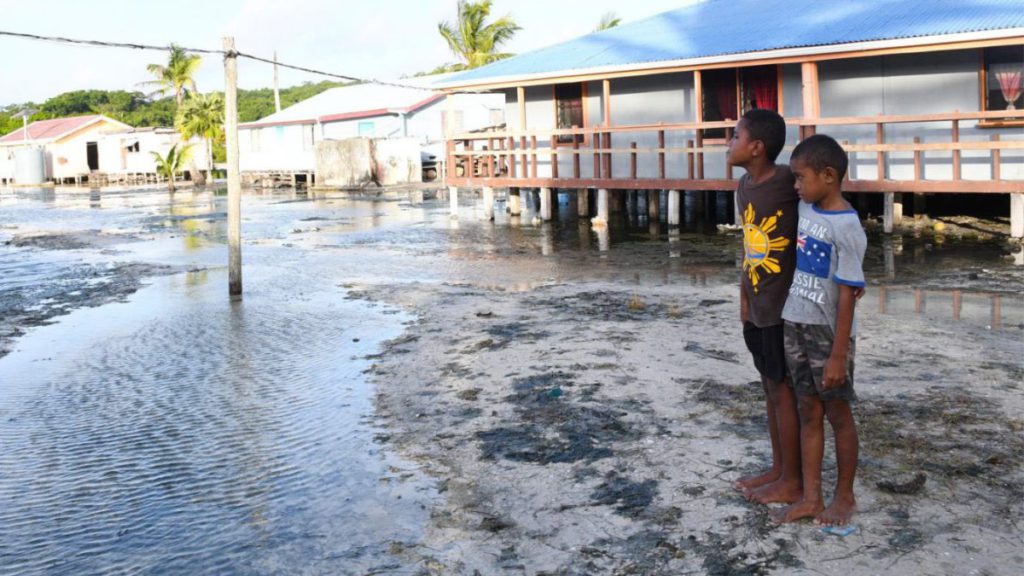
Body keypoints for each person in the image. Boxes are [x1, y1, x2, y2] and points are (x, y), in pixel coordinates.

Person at [772, 134, 866, 526]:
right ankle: (811, 496)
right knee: (807, 409)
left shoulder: (847, 226)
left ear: (829, 176)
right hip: (795, 322)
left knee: (837, 413)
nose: (795, 185)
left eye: (800, 177)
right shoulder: (807, 206)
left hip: (828, 334)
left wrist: (838, 355)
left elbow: (847, 294)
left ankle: (844, 497)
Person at [729, 109, 803, 505]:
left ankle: (793, 480)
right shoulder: (743, 186)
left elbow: (824, 199)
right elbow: (748, 245)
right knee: (768, 389)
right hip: (755, 304)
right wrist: (743, 298)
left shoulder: (788, 183)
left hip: (781, 308)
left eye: (735, 135)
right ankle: (778, 468)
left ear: (756, 147)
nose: (729, 142)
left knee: (783, 390)